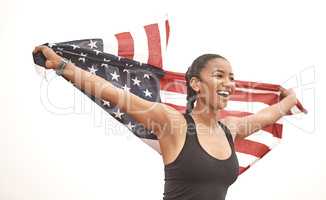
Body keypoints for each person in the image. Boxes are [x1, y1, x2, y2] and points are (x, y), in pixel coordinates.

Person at [33, 46, 298, 200]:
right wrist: (62, 66)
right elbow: (113, 92)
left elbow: (267, 116)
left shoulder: (230, 130)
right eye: (220, 75)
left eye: (232, 78)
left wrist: (289, 101)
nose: (230, 83)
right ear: (195, 84)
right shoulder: (173, 123)